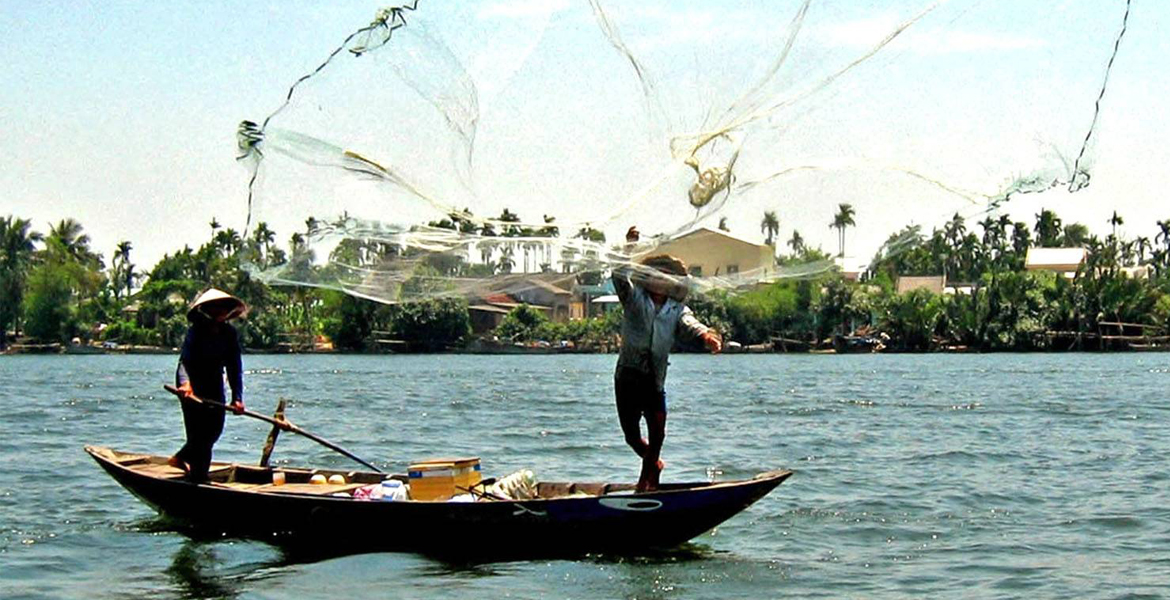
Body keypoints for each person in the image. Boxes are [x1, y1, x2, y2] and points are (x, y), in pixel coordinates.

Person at [613, 227, 722, 492]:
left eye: (666, 278)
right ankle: (654, 466)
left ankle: (647, 482)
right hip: (628, 375)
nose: (660, 282)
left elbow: (690, 323)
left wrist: (707, 335)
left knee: (658, 433)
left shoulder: (676, 309)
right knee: (631, 436)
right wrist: (630, 246)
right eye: (655, 276)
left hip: (654, 379)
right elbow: (619, 275)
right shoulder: (634, 299)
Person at [168, 288, 247, 481]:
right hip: (193, 386)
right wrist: (185, 384)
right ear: (207, 309)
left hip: (214, 384)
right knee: (199, 435)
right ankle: (198, 478)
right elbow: (184, 361)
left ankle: (181, 458)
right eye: (215, 307)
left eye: (223, 308)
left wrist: (237, 398)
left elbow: (234, 367)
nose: (220, 311)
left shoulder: (229, 334)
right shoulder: (196, 332)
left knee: (214, 430)